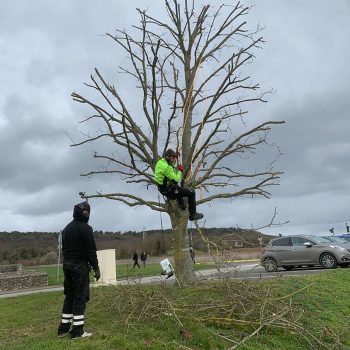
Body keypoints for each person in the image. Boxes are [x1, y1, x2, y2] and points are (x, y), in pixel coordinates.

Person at [57, 201, 100, 339]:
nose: (87, 215)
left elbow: (64, 249)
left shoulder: (66, 228)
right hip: (79, 266)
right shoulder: (86, 228)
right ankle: (77, 331)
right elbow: (91, 251)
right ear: (85, 213)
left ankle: (63, 329)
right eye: (86, 212)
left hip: (67, 265)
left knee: (69, 296)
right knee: (80, 297)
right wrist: (96, 267)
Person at [154, 149, 204, 221]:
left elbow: (170, 167)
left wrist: (175, 156)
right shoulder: (166, 167)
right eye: (172, 158)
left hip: (164, 188)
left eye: (174, 158)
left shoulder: (161, 162)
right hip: (169, 191)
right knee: (191, 193)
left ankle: (182, 205)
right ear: (167, 157)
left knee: (180, 190)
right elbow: (176, 180)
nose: (174, 160)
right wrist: (180, 171)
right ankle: (193, 214)